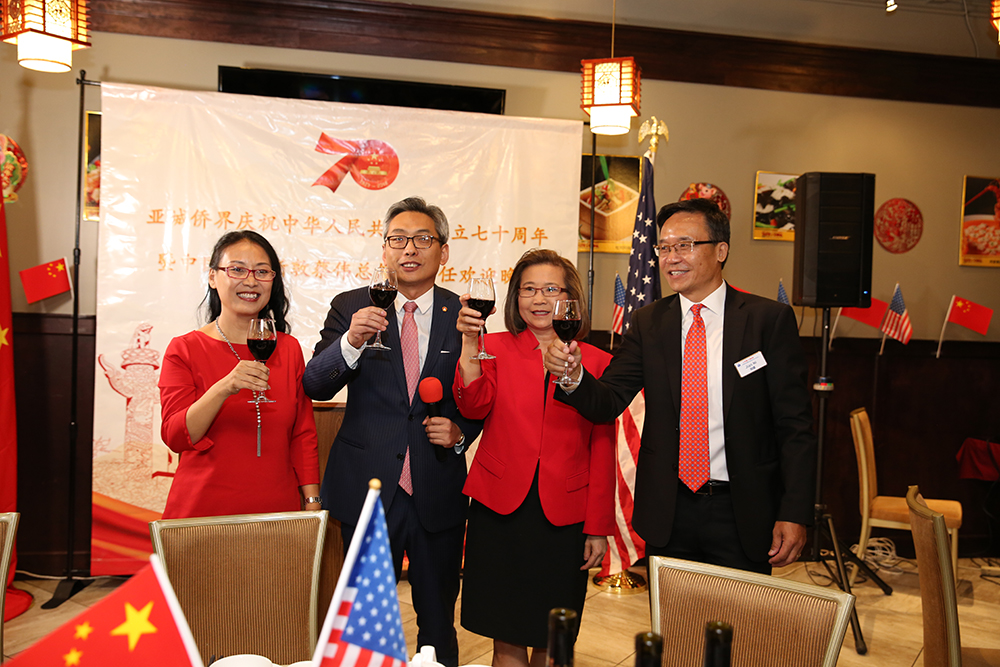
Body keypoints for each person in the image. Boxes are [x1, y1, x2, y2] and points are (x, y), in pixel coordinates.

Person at [543, 198, 817, 574]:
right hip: (669, 512)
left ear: (720, 250)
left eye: (684, 245)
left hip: (743, 511)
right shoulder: (649, 323)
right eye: (664, 247)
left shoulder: (767, 321)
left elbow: (795, 426)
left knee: (738, 613)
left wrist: (794, 511)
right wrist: (573, 376)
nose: (671, 258)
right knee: (672, 614)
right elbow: (608, 400)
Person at [303, 196, 482, 667]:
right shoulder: (351, 306)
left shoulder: (462, 313)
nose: (410, 249)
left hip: (436, 485)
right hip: (367, 486)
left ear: (443, 251)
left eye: (423, 239)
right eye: (397, 239)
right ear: (384, 250)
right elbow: (314, 383)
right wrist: (351, 341)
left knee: (438, 621)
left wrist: (461, 432)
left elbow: (479, 393)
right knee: (364, 622)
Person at [454, 249, 614, 667]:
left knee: (553, 639)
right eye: (528, 289)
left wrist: (598, 527)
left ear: (570, 298)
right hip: (499, 508)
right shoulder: (492, 347)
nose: (539, 299)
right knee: (505, 636)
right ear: (515, 298)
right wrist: (469, 342)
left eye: (551, 289)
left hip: (565, 516)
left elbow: (602, 447)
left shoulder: (598, 362)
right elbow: (472, 404)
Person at [159, 230, 321, 519]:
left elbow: (302, 434)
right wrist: (224, 387)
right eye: (237, 269)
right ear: (213, 277)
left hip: (277, 511)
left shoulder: (288, 349)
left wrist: (312, 502)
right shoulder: (184, 349)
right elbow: (175, 437)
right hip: (203, 511)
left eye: (262, 271)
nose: (250, 281)